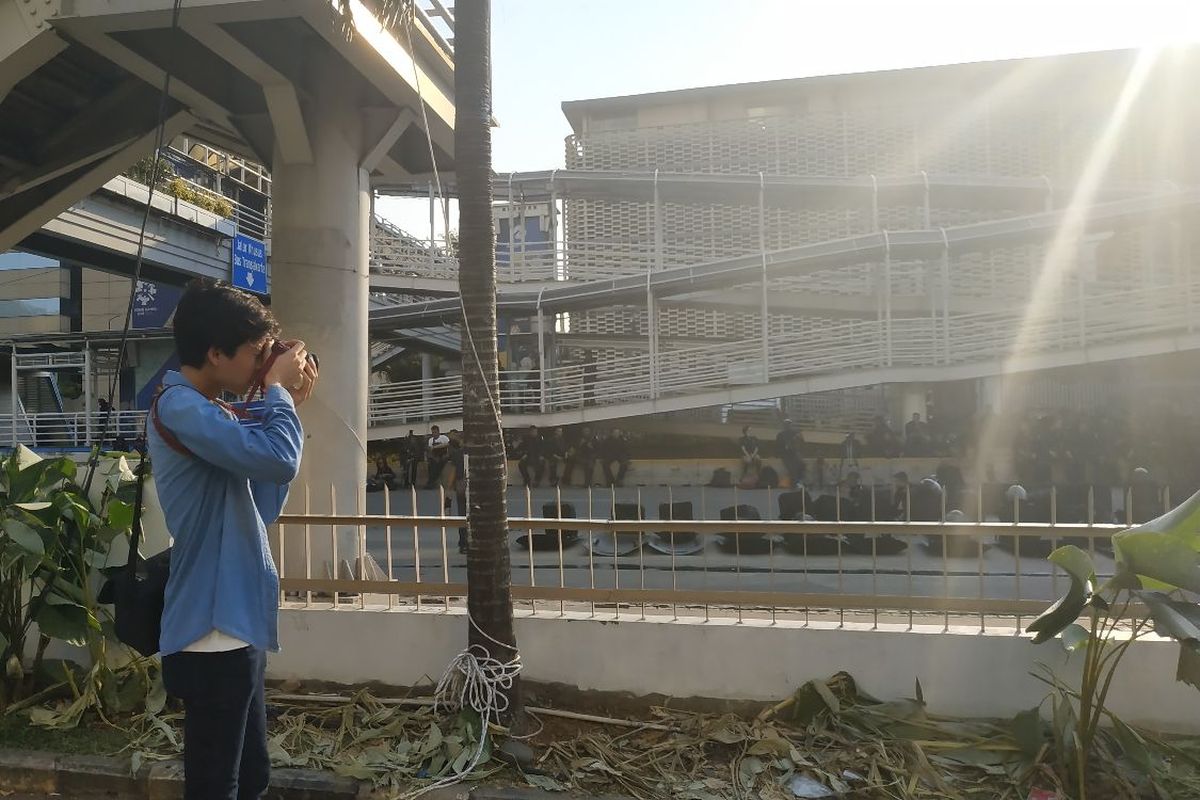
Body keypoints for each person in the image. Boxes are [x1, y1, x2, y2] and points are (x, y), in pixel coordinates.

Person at [149, 280, 315, 800]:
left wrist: (273, 400)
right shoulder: (181, 406)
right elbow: (279, 459)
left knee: (250, 778)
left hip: (235, 623)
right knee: (216, 784)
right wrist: (278, 394)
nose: (263, 361)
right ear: (216, 353)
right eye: (256, 352)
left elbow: (263, 500)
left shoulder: (214, 410)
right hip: (211, 626)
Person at [775, 419, 805, 487]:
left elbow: (802, 441)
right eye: (787, 424)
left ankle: (798, 481)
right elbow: (778, 446)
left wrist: (799, 437)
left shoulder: (795, 432)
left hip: (794, 453)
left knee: (802, 465)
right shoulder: (780, 435)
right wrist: (784, 448)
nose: (788, 426)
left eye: (789, 424)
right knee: (792, 468)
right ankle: (794, 483)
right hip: (785, 455)